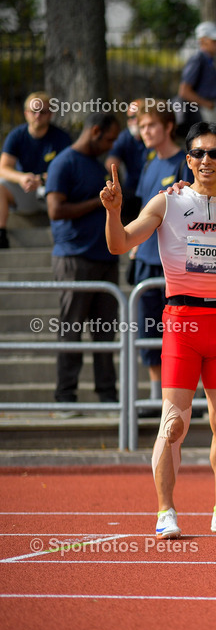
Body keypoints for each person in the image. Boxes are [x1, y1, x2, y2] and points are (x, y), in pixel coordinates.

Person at [102, 121, 216, 538]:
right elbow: (119, 244)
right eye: (198, 154)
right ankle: (166, 511)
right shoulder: (167, 202)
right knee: (173, 423)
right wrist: (113, 211)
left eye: (215, 154)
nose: (206, 161)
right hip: (182, 323)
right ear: (187, 160)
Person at [46, 112, 121, 412]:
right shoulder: (64, 162)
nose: (111, 145)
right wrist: (98, 202)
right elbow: (55, 210)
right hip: (74, 258)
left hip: (105, 258)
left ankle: (107, 394)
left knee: (106, 331)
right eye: (109, 138)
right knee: (71, 329)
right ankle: (65, 396)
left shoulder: (97, 164)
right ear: (94, 131)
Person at [133, 104, 190, 414]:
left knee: (179, 331)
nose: (146, 132)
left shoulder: (185, 162)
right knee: (148, 329)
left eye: (152, 125)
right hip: (145, 258)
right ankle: (157, 398)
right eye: (142, 127)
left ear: (169, 126)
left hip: (173, 262)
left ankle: (178, 398)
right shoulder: (148, 162)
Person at [0, 92, 73, 247]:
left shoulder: (61, 138)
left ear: (50, 114)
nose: (38, 115)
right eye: (34, 111)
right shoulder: (16, 136)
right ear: (26, 113)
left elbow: (68, 171)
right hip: (25, 191)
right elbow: (3, 168)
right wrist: (21, 178)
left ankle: (64, 237)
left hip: (52, 192)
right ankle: (1, 235)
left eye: (43, 111)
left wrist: (42, 179)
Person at [107, 99, 148, 223]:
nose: (132, 122)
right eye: (129, 118)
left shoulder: (155, 137)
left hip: (152, 189)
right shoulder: (125, 137)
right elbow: (110, 164)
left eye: (135, 117)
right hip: (132, 190)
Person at [178, 21, 216, 129]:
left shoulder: (210, 60)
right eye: (214, 40)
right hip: (203, 112)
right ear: (203, 40)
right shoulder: (197, 60)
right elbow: (184, 91)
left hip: (211, 109)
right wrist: (207, 104)